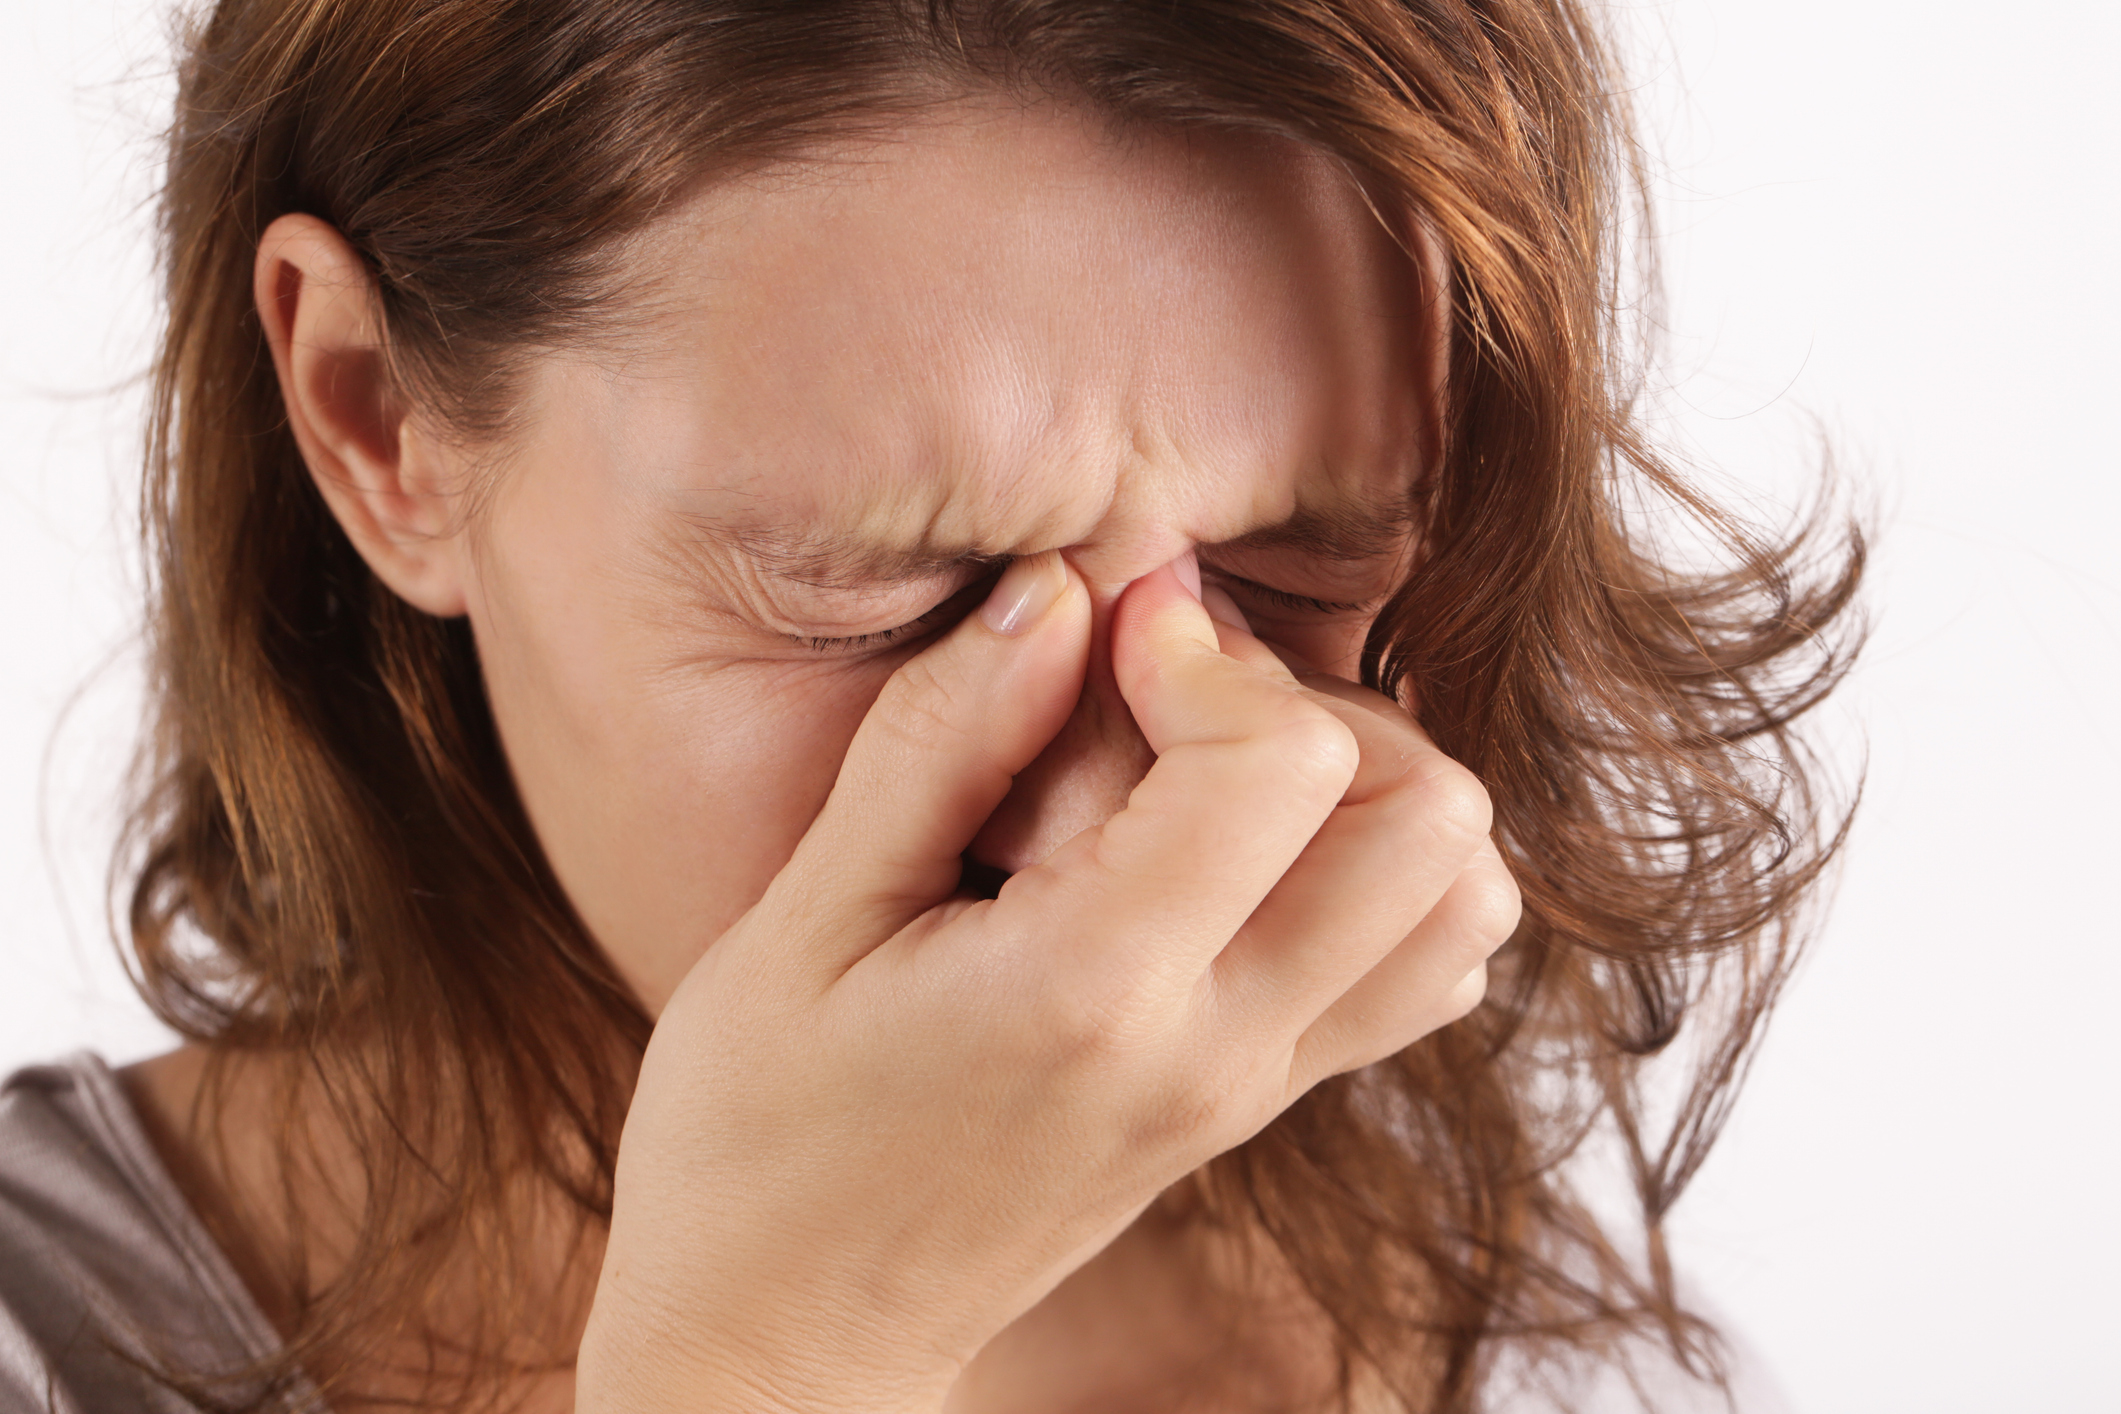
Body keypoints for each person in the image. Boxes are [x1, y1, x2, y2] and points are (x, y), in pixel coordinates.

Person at [0, 1, 1862, 1411]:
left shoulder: (1482, 1312)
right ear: (374, 419)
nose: (1121, 812)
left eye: (1299, 561)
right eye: (885, 588)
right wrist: (760, 1353)